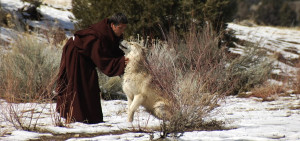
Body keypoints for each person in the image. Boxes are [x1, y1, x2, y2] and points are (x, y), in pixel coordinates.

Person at [55, 13, 129, 124]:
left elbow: (111, 49)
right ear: (113, 25)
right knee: (80, 84)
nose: (122, 31)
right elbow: (102, 59)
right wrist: (122, 62)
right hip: (76, 54)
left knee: (88, 83)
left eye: (124, 28)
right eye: (120, 28)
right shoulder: (99, 36)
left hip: (85, 54)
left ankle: (88, 117)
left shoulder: (109, 32)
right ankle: (76, 116)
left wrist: (122, 58)